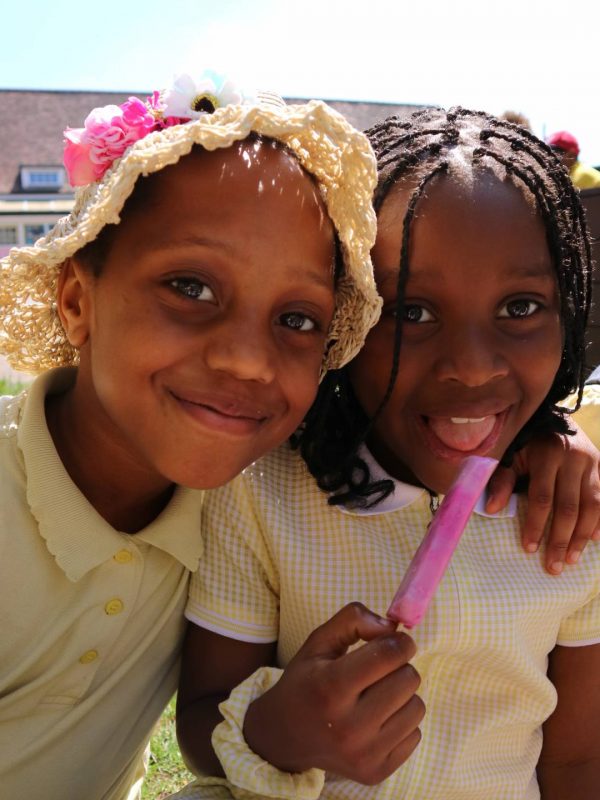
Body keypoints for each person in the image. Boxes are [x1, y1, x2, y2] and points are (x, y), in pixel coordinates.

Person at [174, 107, 600, 800]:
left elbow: (578, 764)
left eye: (520, 308)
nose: (471, 366)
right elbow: (200, 724)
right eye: (411, 313)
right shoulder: (262, 496)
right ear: (346, 314)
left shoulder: (574, 522)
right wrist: (277, 733)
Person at [0, 70, 382, 800]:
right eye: (191, 288)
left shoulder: (246, 508)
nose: (247, 360)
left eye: (296, 319)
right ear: (77, 302)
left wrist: (546, 448)